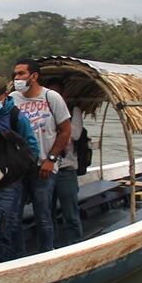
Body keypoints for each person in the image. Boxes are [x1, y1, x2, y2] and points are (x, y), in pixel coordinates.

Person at [10, 59, 71, 253]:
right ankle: (18, 256)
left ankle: (46, 252)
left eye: (21, 74)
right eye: (15, 75)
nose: (16, 78)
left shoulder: (51, 98)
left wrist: (51, 159)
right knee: (14, 216)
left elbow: (65, 131)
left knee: (43, 214)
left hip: (44, 166)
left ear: (34, 76)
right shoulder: (12, 99)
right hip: (19, 168)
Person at [0, 75, 39, 263]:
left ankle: (2, 265)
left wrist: (17, 171)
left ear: (5, 95)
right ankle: (11, 258)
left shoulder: (17, 117)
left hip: (9, 181)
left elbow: (33, 148)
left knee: (3, 227)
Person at [44, 79, 83, 247]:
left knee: (70, 213)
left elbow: (74, 134)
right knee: (47, 212)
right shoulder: (43, 112)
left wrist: (58, 123)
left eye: (56, 95)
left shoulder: (73, 111)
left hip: (66, 169)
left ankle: (75, 244)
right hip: (46, 169)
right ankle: (50, 246)